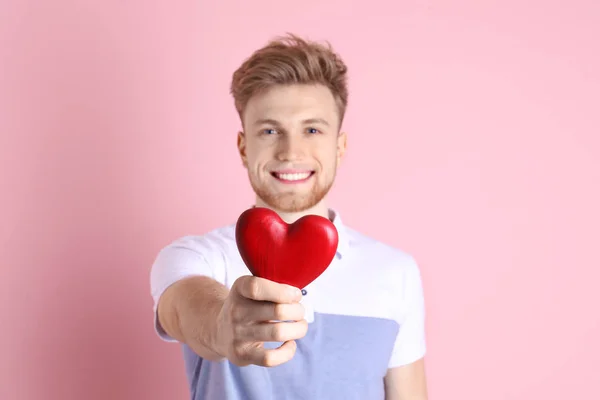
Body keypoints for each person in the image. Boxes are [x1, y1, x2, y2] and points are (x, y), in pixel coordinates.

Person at [150, 33, 428, 400]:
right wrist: (224, 323)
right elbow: (185, 310)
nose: (291, 151)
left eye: (312, 130)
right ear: (244, 147)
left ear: (339, 147)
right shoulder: (194, 258)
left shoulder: (396, 272)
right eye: (269, 131)